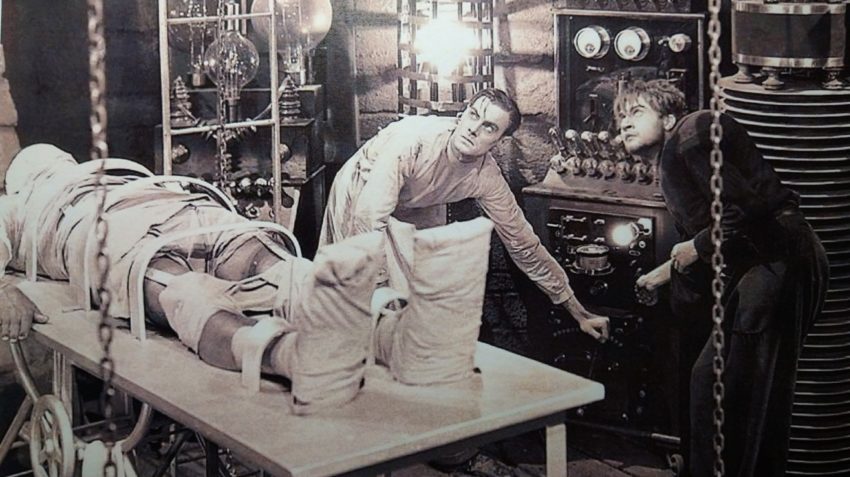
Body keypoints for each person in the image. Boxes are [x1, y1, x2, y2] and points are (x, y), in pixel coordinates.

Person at [0, 144, 497, 414]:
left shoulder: (26, 203)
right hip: (185, 211)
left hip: (121, 232)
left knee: (185, 292)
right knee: (266, 268)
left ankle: (297, 354)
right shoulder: (107, 176)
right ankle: (392, 336)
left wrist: (6, 291)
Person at [618, 79, 829, 477]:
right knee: (716, 389)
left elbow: (744, 210)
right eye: (621, 117)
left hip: (778, 263)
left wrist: (695, 248)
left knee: (736, 402)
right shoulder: (675, 157)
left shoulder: (690, 134)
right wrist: (666, 272)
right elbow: (720, 231)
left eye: (636, 112)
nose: (624, 123)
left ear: (668, 118)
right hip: (763, 267)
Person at [321, 87, 610, 342]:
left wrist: (578, 311)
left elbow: (523, 244)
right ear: (461, 116)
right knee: (364, 295)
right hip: (361, 189)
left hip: (417, 201)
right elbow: (368, 219)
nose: (474, 129)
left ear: (498, 142)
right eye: (473, 116)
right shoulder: (413, 142)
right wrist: (379, 287)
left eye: (489, 127)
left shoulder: (486, 177)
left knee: (423, 300)